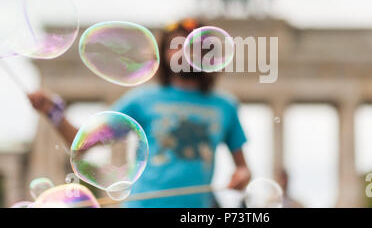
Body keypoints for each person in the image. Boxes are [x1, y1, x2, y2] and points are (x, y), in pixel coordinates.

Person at [28, 18, 251, 208]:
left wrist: (242, 175)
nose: (182, 50)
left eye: (190, 43)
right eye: (175, 44)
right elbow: (82, 143)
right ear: (163, 52)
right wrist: (52, 112)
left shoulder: (225, 106)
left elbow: (243, 167)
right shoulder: (143, 99)